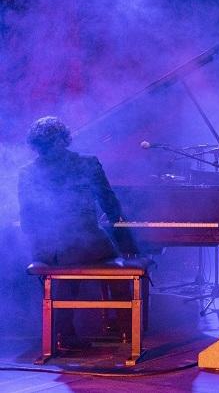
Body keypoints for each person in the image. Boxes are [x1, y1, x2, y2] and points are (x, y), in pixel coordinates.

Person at [18, 116, 135, 349]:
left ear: (36, 144)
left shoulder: (26, 171)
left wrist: (40, 244)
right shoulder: (87, 163)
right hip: (84, 242)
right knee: (121, 266)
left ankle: (65, 333)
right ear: (64, 139)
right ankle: (124, 327)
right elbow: (109, 204)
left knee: (62, 266)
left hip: (45, 247)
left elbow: (27, 219)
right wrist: (127, 238)